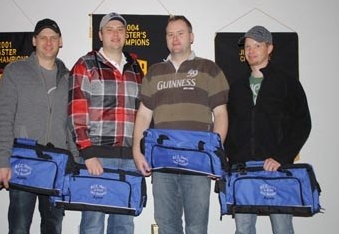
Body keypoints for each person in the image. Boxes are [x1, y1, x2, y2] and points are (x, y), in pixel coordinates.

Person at [133, 15, 229, 234]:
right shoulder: (154, 73)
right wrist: (137, 153)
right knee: (167, 225)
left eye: (180, 33)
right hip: (162, 163)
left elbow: (221, 115)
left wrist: (214, 156)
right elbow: (143, 117)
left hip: (197, 163)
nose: (175, 39)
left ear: (191, 37)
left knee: (196, 227)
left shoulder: (210, 70)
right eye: (170, 34)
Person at [0, 18, 76, 234]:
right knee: (19, 228)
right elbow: (3, 118)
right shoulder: (15, 71)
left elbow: (72, 125)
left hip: (56, 164)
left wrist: (76, 162)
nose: (49, 42)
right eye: (43, 37)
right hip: (23, 161)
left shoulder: (70, 77)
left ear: (61, 41)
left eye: (53, 38)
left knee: (53, 227)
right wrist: (1, 161)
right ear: (34, 41)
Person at [225, 25, 312, 234]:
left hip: (276, 168)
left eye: (257, 45)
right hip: (244, 170)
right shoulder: (237, 86)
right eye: (247, 46)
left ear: (269, 48)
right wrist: (232, 160)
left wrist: (281, 157)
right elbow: (229, 124)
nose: (251, 50)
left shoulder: (287, 82)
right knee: (243, 228)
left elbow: (303, 123)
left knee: (282, 227)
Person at [68, 12, 143, 234]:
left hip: (130, 158)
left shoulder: (135, 68)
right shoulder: (86, 65)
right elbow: (76, 112)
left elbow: (143, 114)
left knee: (124, 225)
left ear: (126, 35)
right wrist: (88, 153)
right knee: (93, 223)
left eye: (120, 29)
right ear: (100, 34)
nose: (115, 34)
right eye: (109, 29)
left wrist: (141, 151)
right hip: (97, 157)